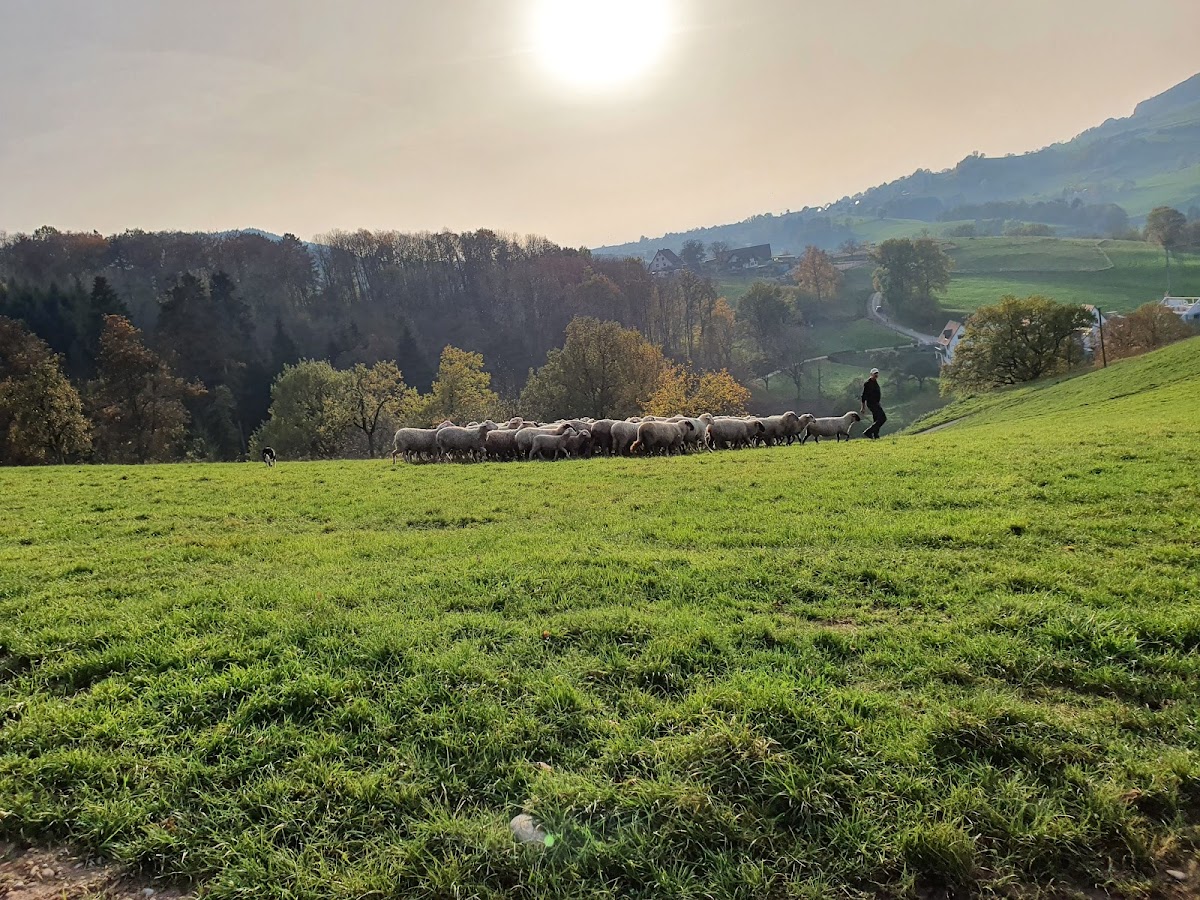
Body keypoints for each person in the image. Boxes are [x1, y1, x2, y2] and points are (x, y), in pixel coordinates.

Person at [860, 368, 886, 439]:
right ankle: (868, 432)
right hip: (872, 404)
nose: (876, 375)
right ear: (871, 374)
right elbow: (863, 396)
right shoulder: (868, 383)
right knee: (883, 418)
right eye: (875, 374)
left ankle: (876, 435)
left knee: (876, 419)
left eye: (877, 373)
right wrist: (863, 407)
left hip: (876, 403)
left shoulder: (875, 382)